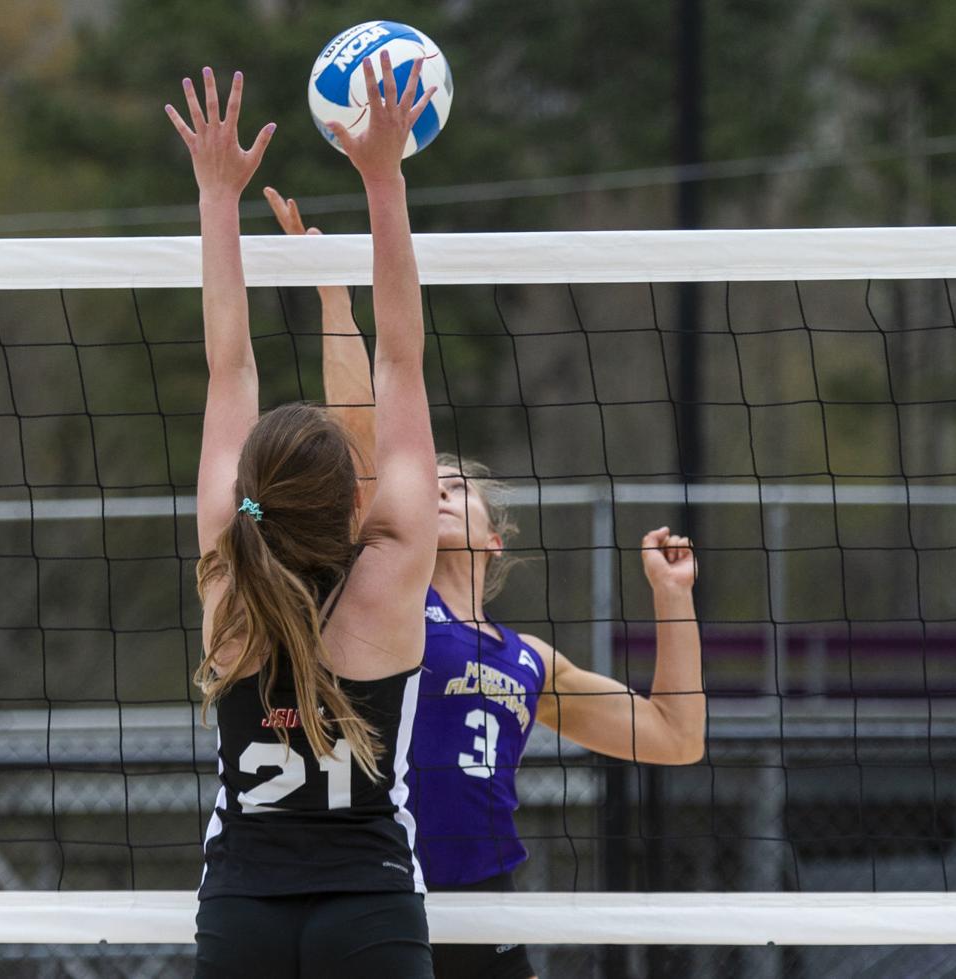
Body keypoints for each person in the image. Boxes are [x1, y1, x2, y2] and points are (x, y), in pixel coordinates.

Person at [263, 188, 707, 979]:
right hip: (382, 890)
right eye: (425, 479)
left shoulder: (527, 661)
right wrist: (334, 291)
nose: (434, 486)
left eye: (455, 485)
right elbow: (359, 427)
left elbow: (676, 735)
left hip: (488, 903)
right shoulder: (384, 602)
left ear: (493, 536)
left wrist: (673, 601)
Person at [167, 55, 439, 979]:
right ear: (353, 496)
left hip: (242, 909)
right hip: (367, 907)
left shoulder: (227, 572)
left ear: (253, 490)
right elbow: (401, 363)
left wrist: (216, 199)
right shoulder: (393, 573)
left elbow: (227, 367)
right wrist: (382, 177)